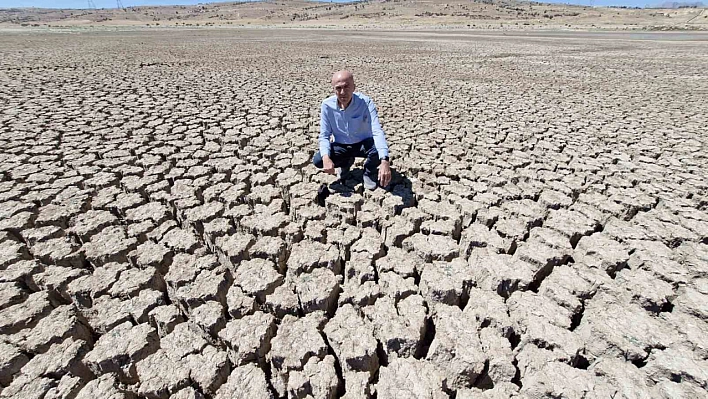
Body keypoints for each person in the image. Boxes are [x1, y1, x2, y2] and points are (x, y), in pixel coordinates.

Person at [312, 70, 392, 190]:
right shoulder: (327, 106)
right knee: (319, 160)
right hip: (342, 145)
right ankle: (345, 164)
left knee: (378, 149)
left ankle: (368, 172)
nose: (343, 92)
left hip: (363, 144)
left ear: (354, 87)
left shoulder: (365, 102)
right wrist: (326, 158)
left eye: (346, 87)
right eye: (338, 88)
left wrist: (385, 161)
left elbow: (377, 131)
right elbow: (324, 135)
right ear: (333, 89)